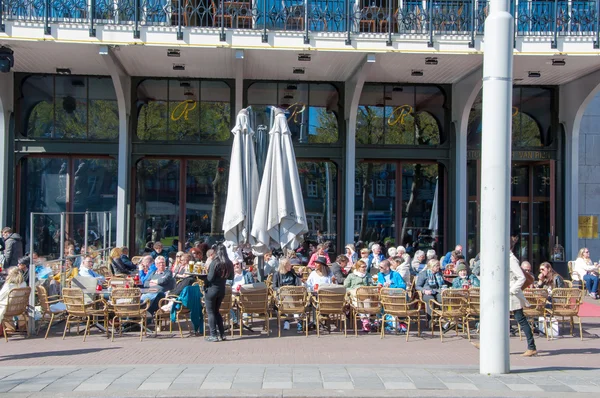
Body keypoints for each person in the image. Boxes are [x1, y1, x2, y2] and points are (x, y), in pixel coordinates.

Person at [509, 240, 537, 357]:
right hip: (507, 293)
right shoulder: (504, 258)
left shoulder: (511, 259)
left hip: (512, 294)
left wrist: (512, 290)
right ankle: (487, 343)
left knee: (520, 319)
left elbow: (521, 277)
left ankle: (531, 347)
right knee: (496, 317)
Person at [205, 245, 234, 342]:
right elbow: (231, 277)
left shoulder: (215, 262)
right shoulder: (229, 263)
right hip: (222, 289)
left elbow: (210, 278)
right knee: (216, 311)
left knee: (211, 312)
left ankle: (213, 334)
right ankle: (222, 334)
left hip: (212, 289)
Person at [0, 267, 27, 332]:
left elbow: (0, 296)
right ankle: (21, 326)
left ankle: (10, 328)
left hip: (9, 309)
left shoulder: (8, 285)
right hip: (20, 308)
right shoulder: (24, 284)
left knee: (4, 308)